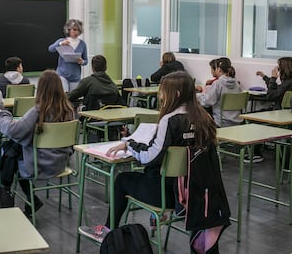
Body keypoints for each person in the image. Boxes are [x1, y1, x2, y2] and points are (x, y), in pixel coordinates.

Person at [79, 71, 231, 253]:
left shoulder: (170, 119)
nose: (160, 95)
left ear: (174, 95)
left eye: (162, 91)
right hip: (195, 198)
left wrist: (128, 144)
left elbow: (150, 156)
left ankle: (107, 230)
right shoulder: (205, 118)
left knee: (122, 180)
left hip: (168, 195)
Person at [0, 70, 75, 217]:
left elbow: (13, 130)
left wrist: (3, 114)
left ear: (40, 89)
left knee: (11, 150)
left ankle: (9, 194)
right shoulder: (69, 111)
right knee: (14, 149)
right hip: (60, 163)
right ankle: (27, 198)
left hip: (38, 165)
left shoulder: (38, 111)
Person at [198, 57, 242, 127]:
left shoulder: (218, 83)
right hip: (237, 122)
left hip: (221, 122)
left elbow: (207, 101)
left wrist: (197, 97)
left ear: (218, 69)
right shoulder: (237, 84)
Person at [48, 19, 88, 92]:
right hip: (62, 74)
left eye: (78, 30)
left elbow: (86, 61)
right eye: (74, 30)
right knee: (63, 96)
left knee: (73, 98)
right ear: (68, 30)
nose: (76, 32)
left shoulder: (82, 44)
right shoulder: (62, 40)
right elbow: (50, 49)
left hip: (75, 76)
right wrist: (60, 44)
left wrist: (82, 62)